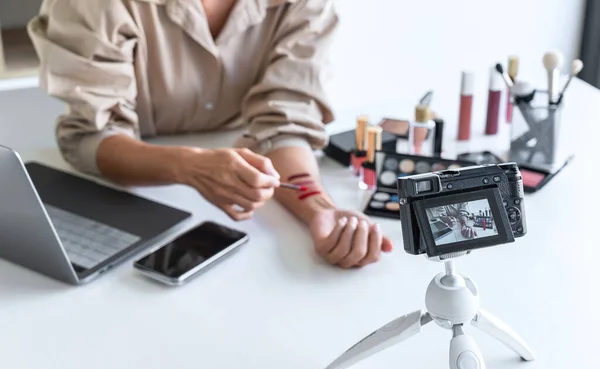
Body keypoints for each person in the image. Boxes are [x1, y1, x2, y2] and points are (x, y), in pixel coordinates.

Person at [28, 0, 394, 269]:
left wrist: (320, 209)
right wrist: (186, 165)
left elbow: (285, 123)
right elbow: (92, 135)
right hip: (124, 195)